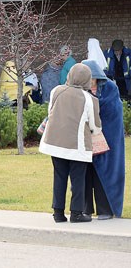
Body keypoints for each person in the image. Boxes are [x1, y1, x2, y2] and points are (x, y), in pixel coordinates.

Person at [39, 63, 101, 223]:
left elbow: (51, 113)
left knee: (59, 177)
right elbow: (95, 127)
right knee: (78, 180)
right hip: (77, 146)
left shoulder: (56, 91)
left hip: (54, 143)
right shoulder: (89, 99)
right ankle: (76, 213)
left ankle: (58, 213)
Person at [82, 59, 125, 220]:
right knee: (84, 173)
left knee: (104, 174)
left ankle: (105, 209)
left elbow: (113, 112)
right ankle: (85, 209)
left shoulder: (110, 88)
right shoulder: (78, 89)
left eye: (92, 77)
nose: (90, 81)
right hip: (84, 139)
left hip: (107, 138)